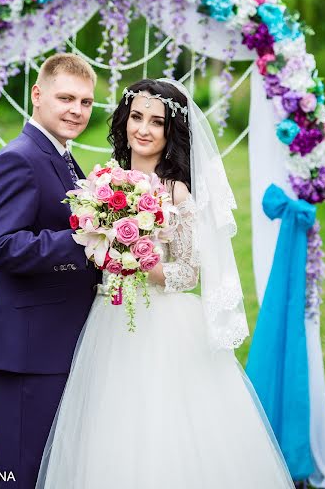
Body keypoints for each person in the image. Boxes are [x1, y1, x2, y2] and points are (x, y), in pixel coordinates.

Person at [36, 78, 295, 488]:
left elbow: (188, 274)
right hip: (110, 316)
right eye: (136, 117)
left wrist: (137, 255)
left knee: (166, 423)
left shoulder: (177, 193)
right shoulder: (106, 181)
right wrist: (99, 243)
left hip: (165, 323)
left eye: (156, 122)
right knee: (109, 422)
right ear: (124, 121)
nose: (143, 129)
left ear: (170, 132)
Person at [0, 53, 101, 487]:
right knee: (22, 473)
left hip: (58, 343)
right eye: (66, 97)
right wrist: (85, 239)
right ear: (37, 94)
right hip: (28, 351)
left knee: (52, 471)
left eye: (86, 102)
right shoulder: (20, 158)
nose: (76, 110)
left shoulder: (62, 156)